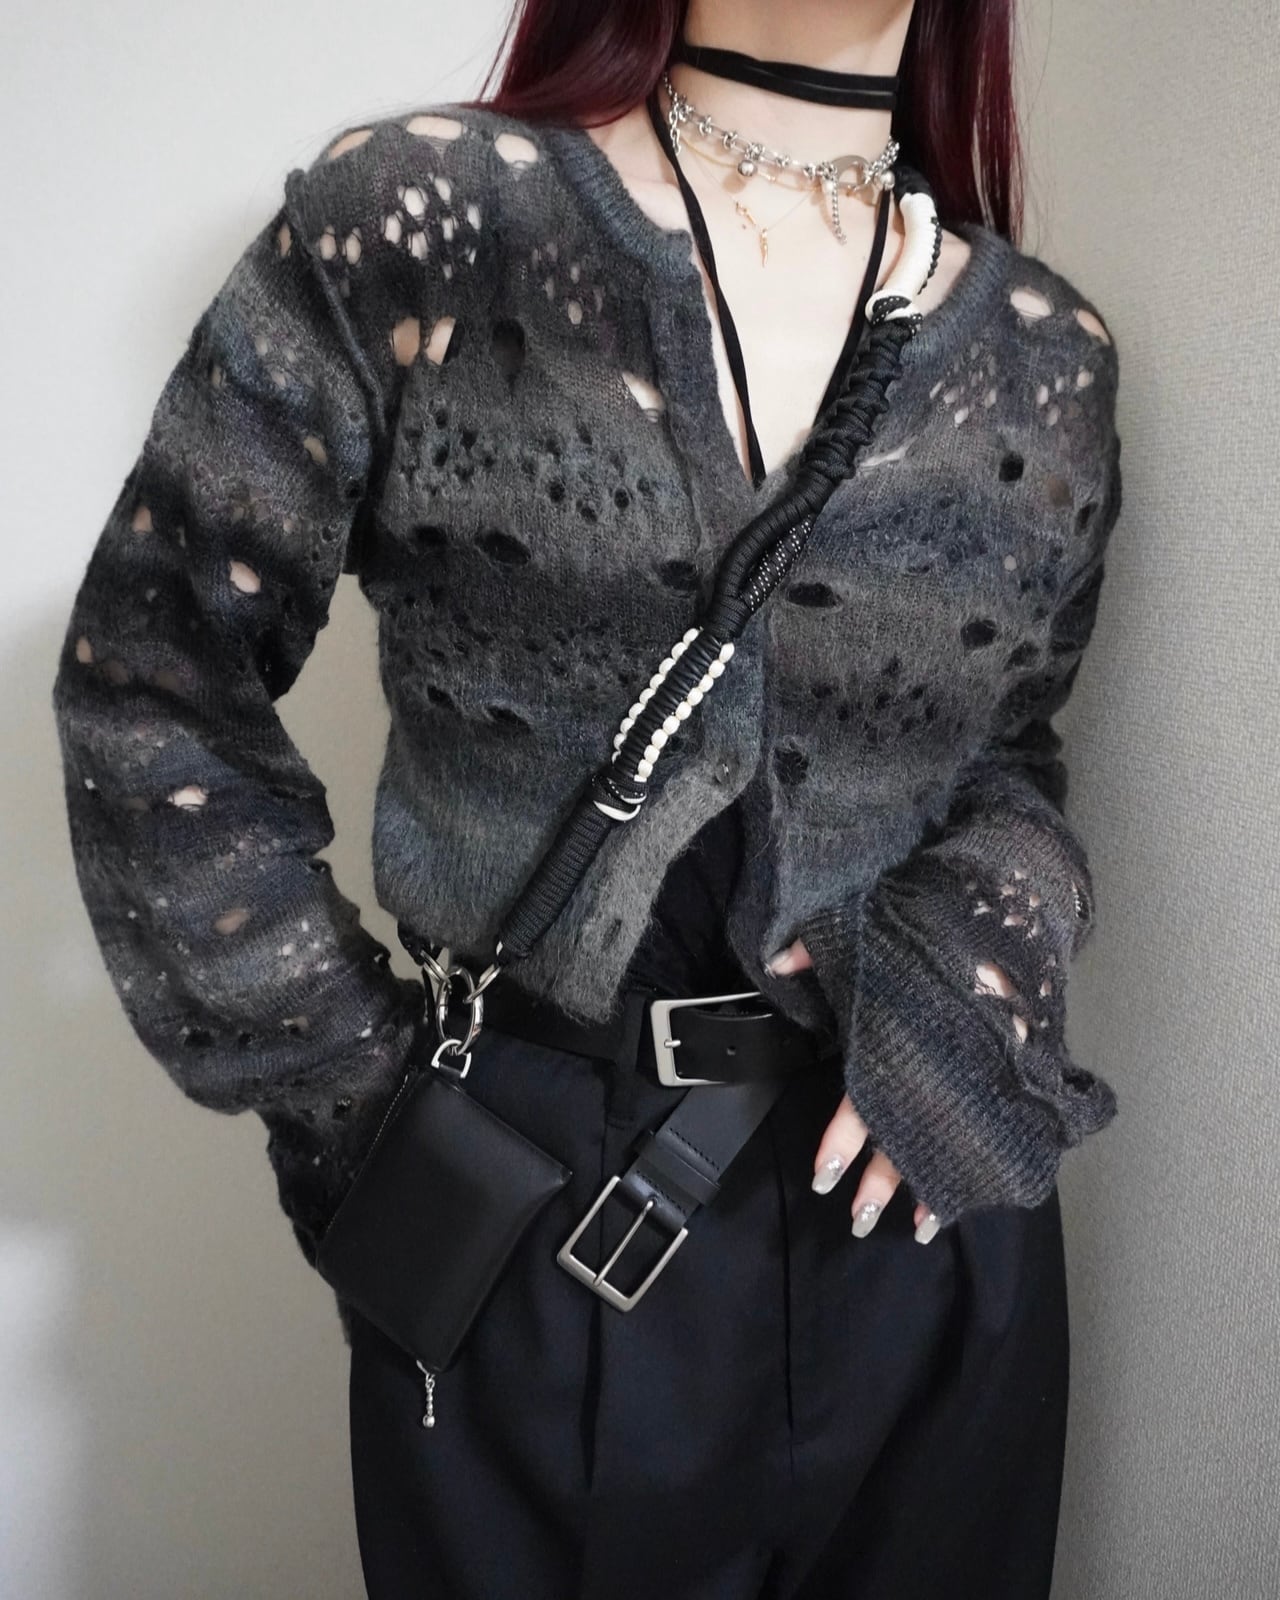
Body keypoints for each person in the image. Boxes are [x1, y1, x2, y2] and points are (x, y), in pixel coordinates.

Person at [50, 0, 1125, 1595]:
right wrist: (355, 1096)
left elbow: (1010, 753)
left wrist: (983, 950)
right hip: (538, 1221)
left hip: (929, 1213)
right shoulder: (429, 222)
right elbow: (152, 682)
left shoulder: (1047, 355)